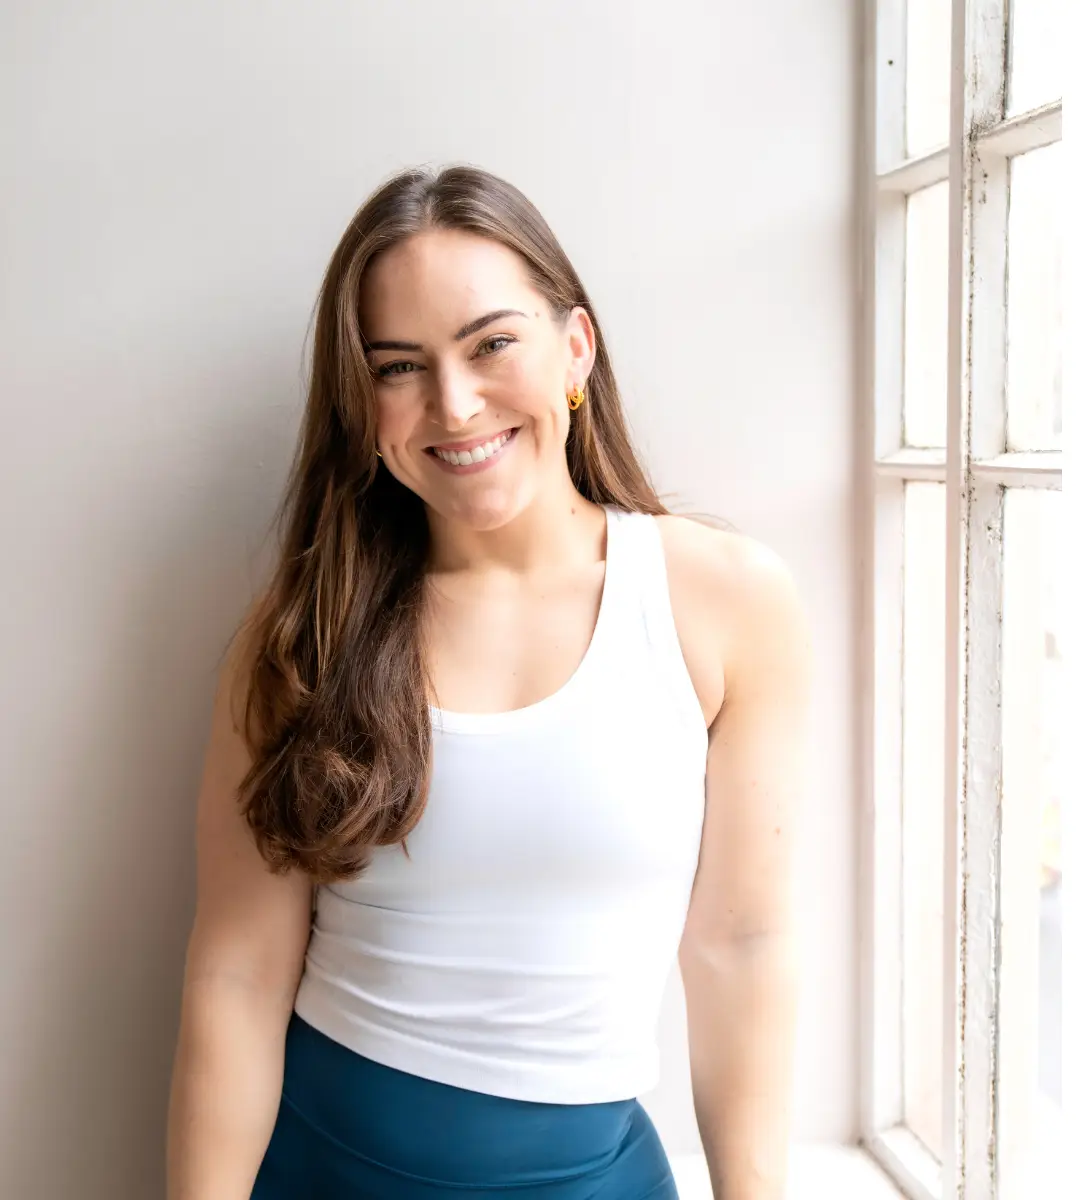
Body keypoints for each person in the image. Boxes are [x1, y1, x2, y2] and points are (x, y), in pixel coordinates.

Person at [166, 165, 810, 1200]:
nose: (454, 404)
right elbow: (237, 976)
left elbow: (744, 945)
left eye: (491, 344)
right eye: (398, 367)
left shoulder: (726, 602)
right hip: (323, 1173)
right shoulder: (304, 637)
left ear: (576, 348)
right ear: (362, 403)